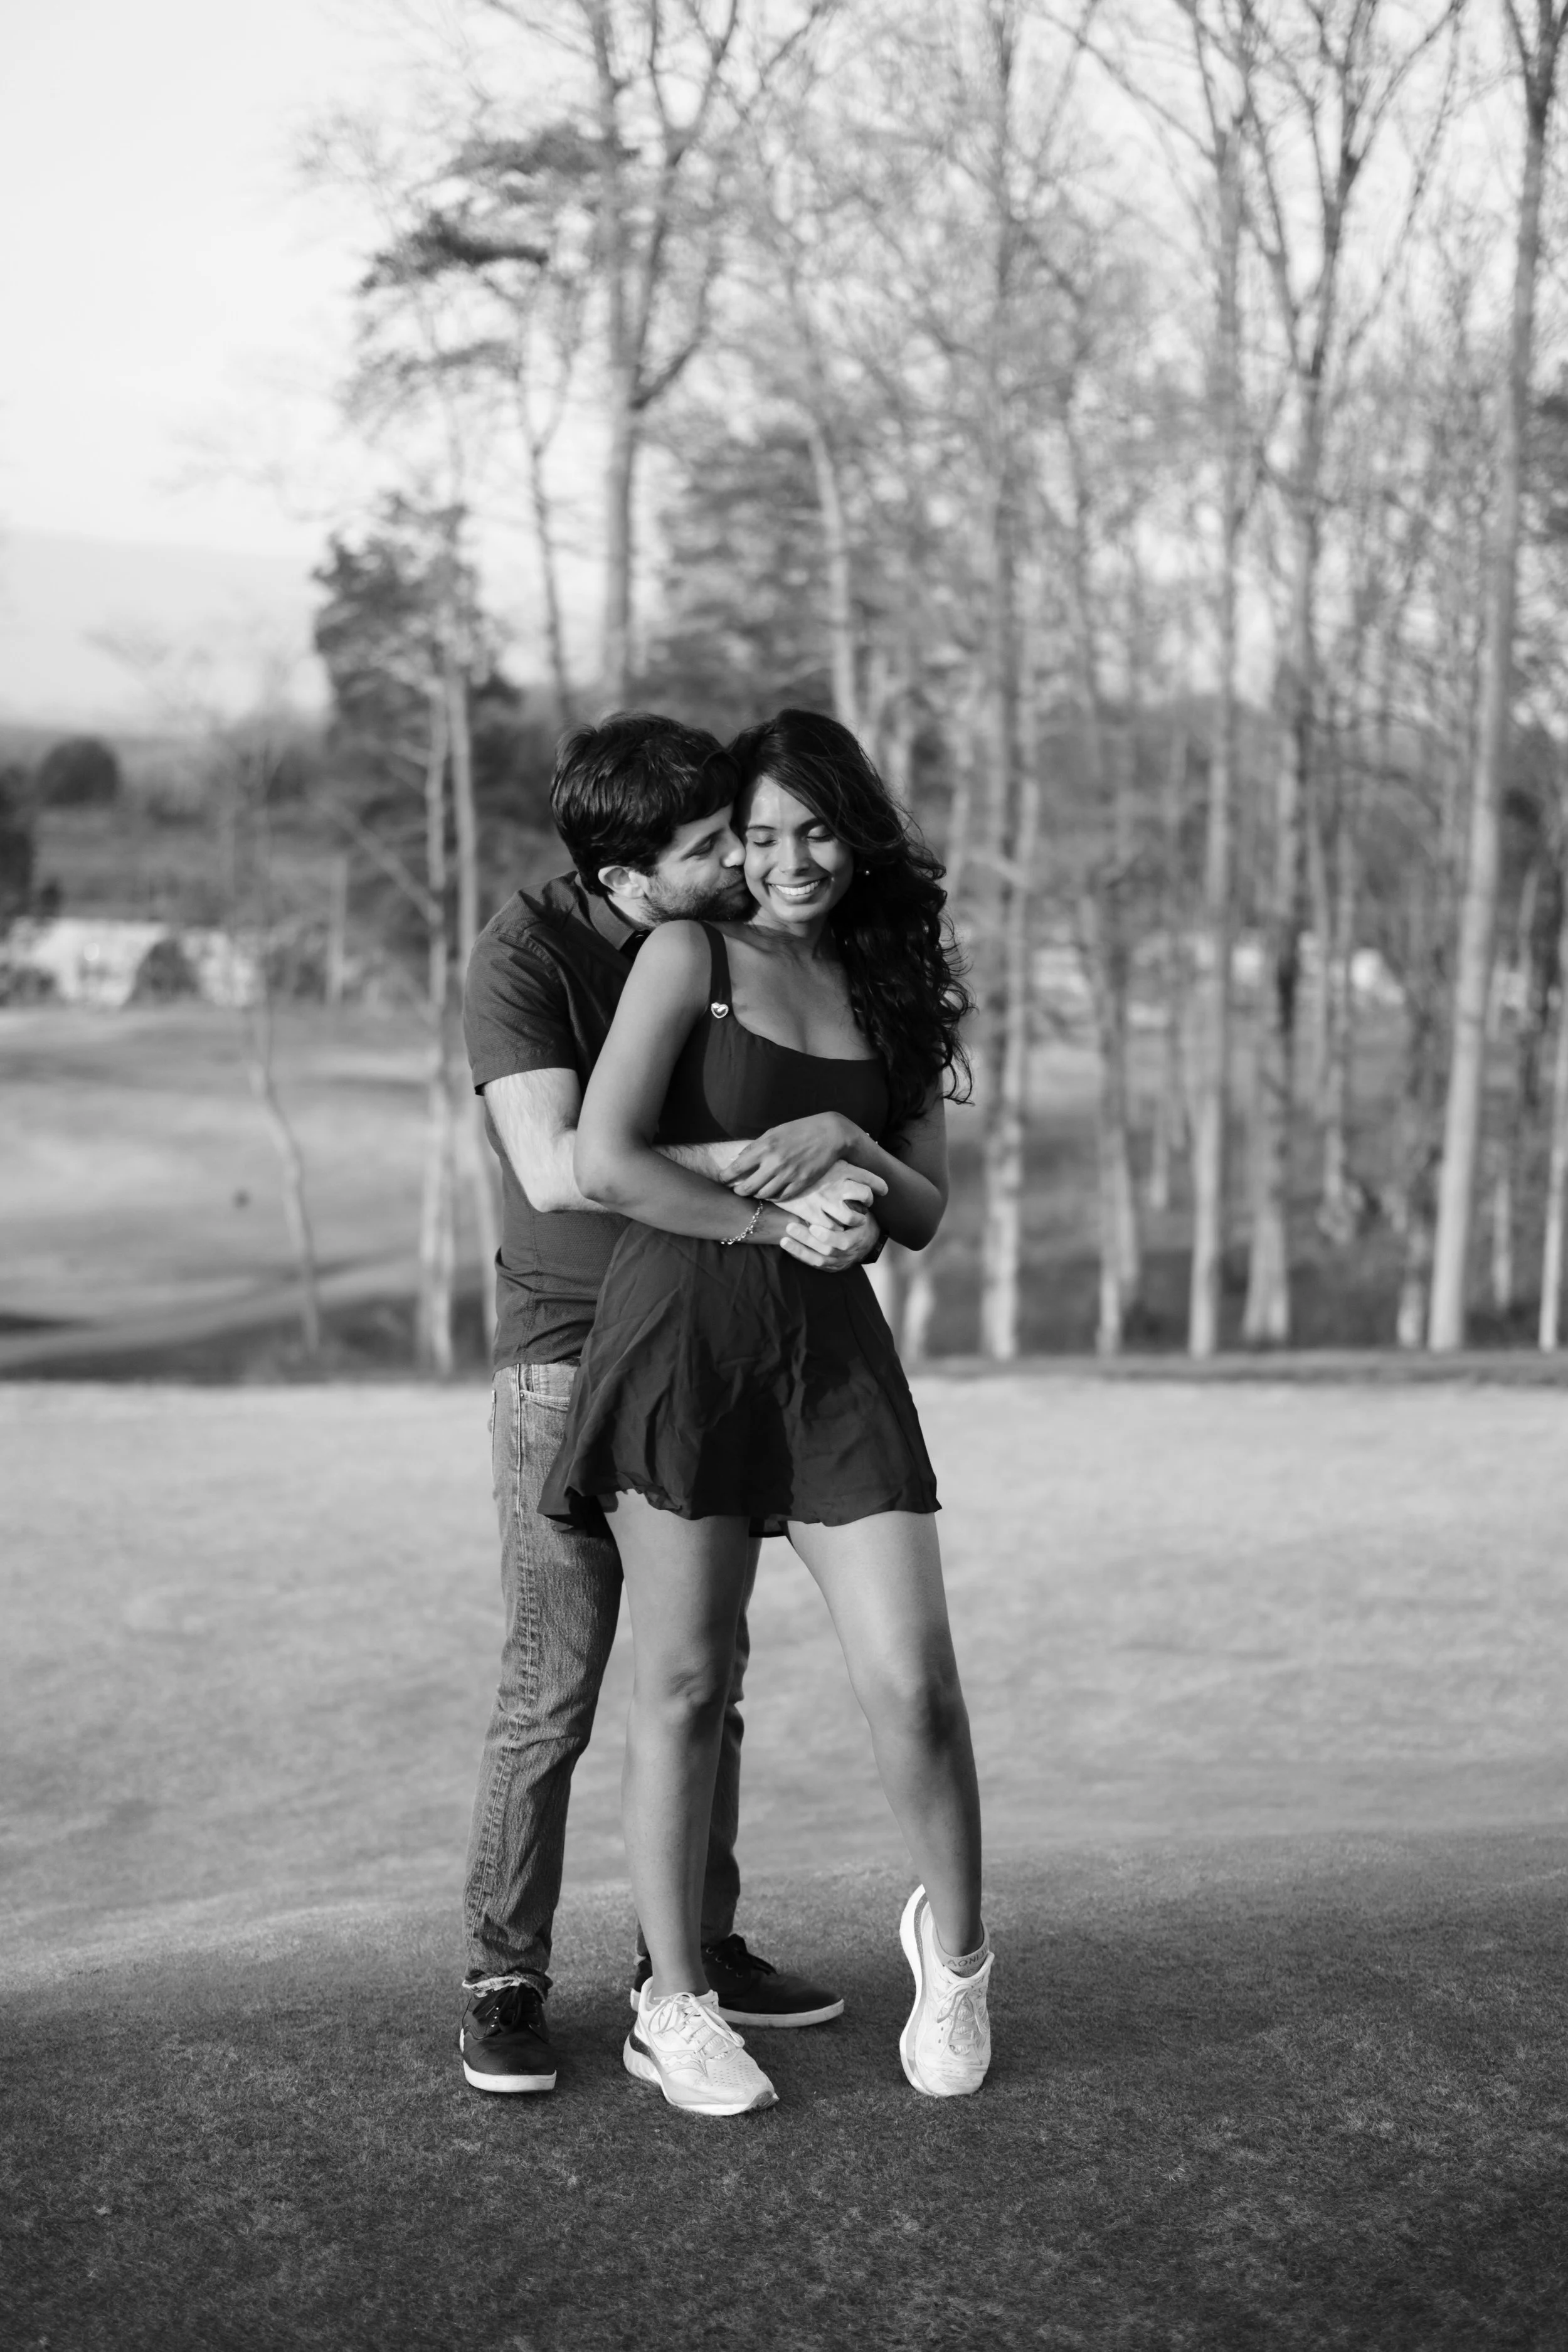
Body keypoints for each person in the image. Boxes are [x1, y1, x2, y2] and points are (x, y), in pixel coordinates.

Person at [541, 708, 992, 2119]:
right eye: (760, 833)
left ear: (855, 833)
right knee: (682, 1684)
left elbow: (918, 1212)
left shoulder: (894, 981)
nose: (788, 858)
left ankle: (959, 1954)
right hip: (683, 1338)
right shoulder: (688, 956)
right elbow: (606, 1161)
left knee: (912, 1678)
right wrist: (764, 1226)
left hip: (833, 1360)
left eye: (813, 829)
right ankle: (669, 2003)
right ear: (730, 843)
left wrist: (845, 1141)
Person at [458, 712, 873, 2096]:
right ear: (629, 873)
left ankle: (687, 1951)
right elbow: (562, 1164)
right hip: (570, 1348)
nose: (736, 862)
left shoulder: (723, 936)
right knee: (555, 1683)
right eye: (707, 848)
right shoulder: (526, 956)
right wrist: (772, 1167)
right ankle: (505, 1975)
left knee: (707, 1672)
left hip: (698, 1339)